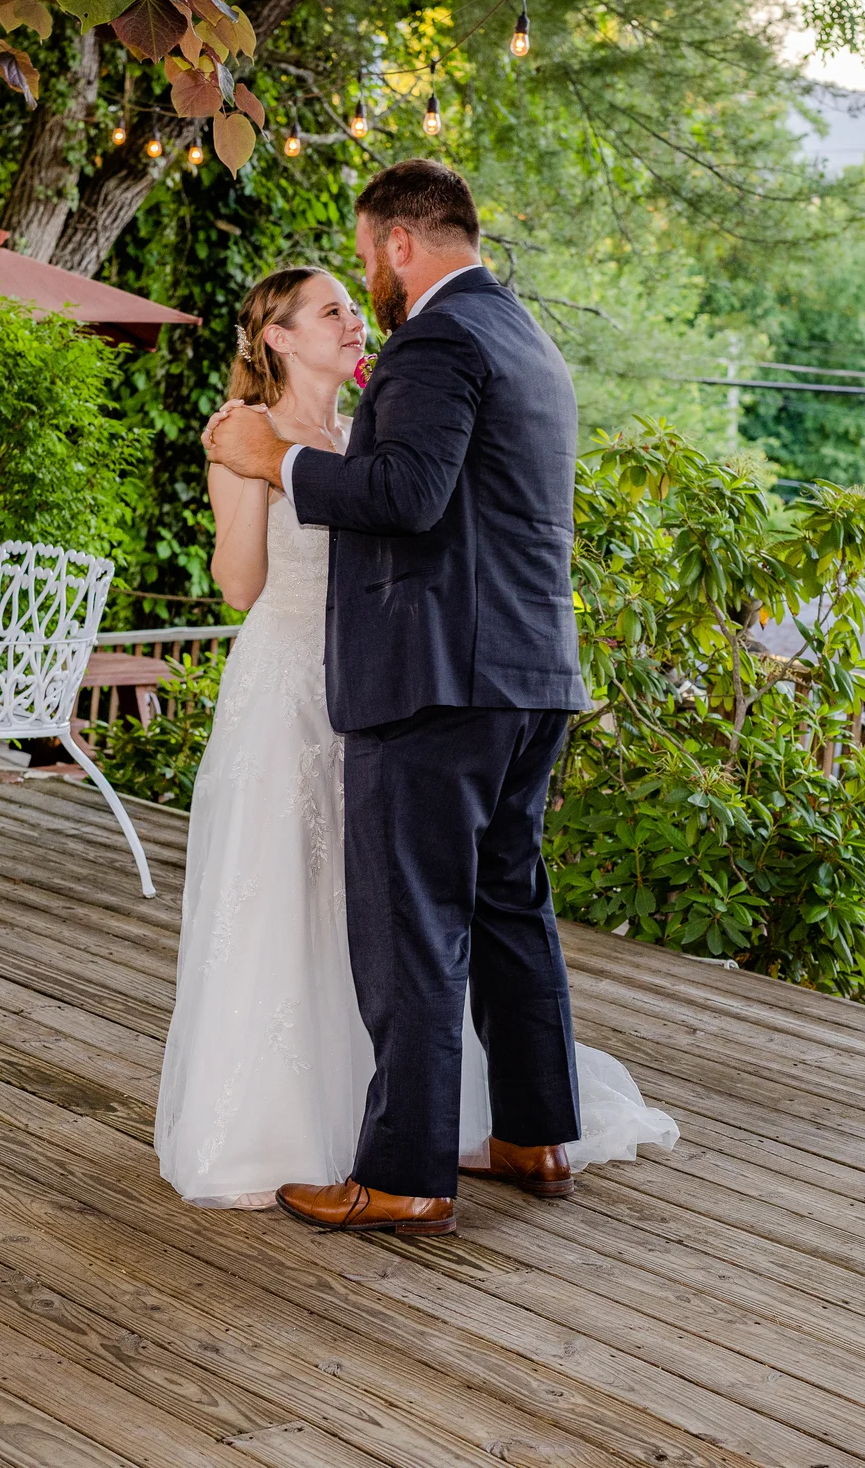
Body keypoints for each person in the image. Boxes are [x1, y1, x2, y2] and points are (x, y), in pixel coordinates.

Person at [180, 159, 668, 1236]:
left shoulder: (436, 341)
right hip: (528, 673)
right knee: (508, 906)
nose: (369, 287)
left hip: (437, 675)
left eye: (366, 262)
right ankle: (535, 1133)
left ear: (400, 243)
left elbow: (406, 494)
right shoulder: (525, 338)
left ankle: (403, 1174)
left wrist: (274, 458)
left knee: (412, 926)